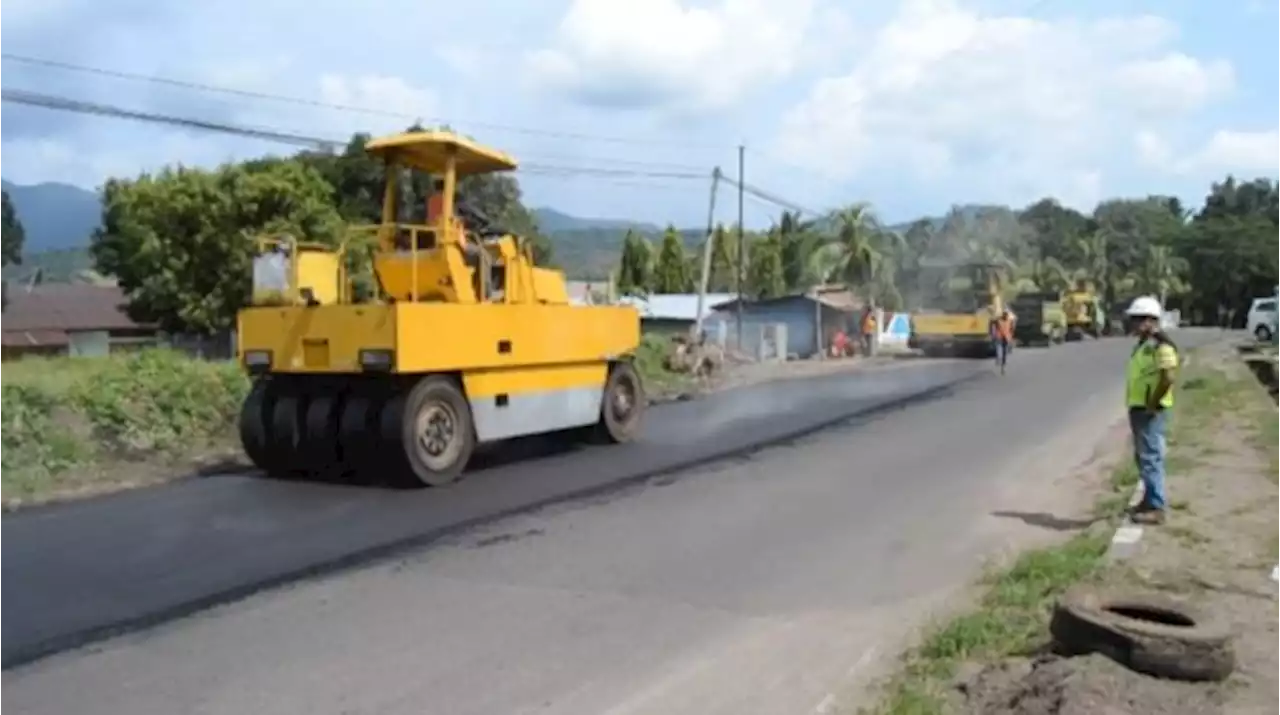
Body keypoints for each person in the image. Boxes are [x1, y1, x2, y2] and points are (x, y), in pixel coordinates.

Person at [1124, 295, 1179, 525]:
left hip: (1150, 410)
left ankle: (1156, 506)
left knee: (1151, 457)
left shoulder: (1161, 347)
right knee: (1142, 456)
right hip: (1138, 407)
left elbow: (1168, 377)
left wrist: (1152, 403)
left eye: (1138, 320)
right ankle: (1148, 499)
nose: (1134, 324)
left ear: (1151, 321)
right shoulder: (1143, 346)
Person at [990, 308, 1014, 374]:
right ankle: (998, 359)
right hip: (999, 337)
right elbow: (991, 322)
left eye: (1007, 315)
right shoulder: (998, 320)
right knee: (999, 349)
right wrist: (992, 333)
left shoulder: (1009, 320)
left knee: (1005, 353)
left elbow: (1012, 328)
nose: (1006, 316)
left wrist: (1011, 337)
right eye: (1005, 315)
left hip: (1006, 338)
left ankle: (1003, 367)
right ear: (1003, 315)